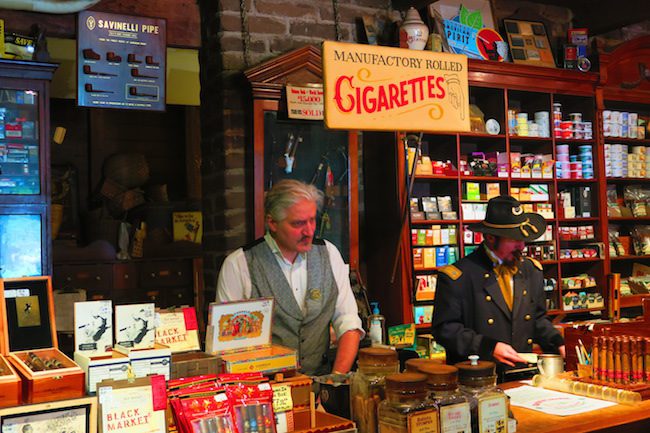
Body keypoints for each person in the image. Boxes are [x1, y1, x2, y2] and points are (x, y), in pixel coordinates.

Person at [217, 179, 363, 375]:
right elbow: (226, 346)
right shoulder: (239, 264)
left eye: (312, 220)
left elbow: (348, 322)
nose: (309, 231)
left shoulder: (329, 254)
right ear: (272, 223)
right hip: (264, 390)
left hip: (321, 387)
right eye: (298, 223)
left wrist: (335, 380)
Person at [432, 195, 565, 372]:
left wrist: (556, 342)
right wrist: (487, 347)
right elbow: (445, 330)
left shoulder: (531, 270)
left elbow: (537, 318)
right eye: (513, 239)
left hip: (521, 373)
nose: (522, 246)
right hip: (478, 377)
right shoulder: (459, 276)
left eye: (523, 239)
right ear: (490, 237)